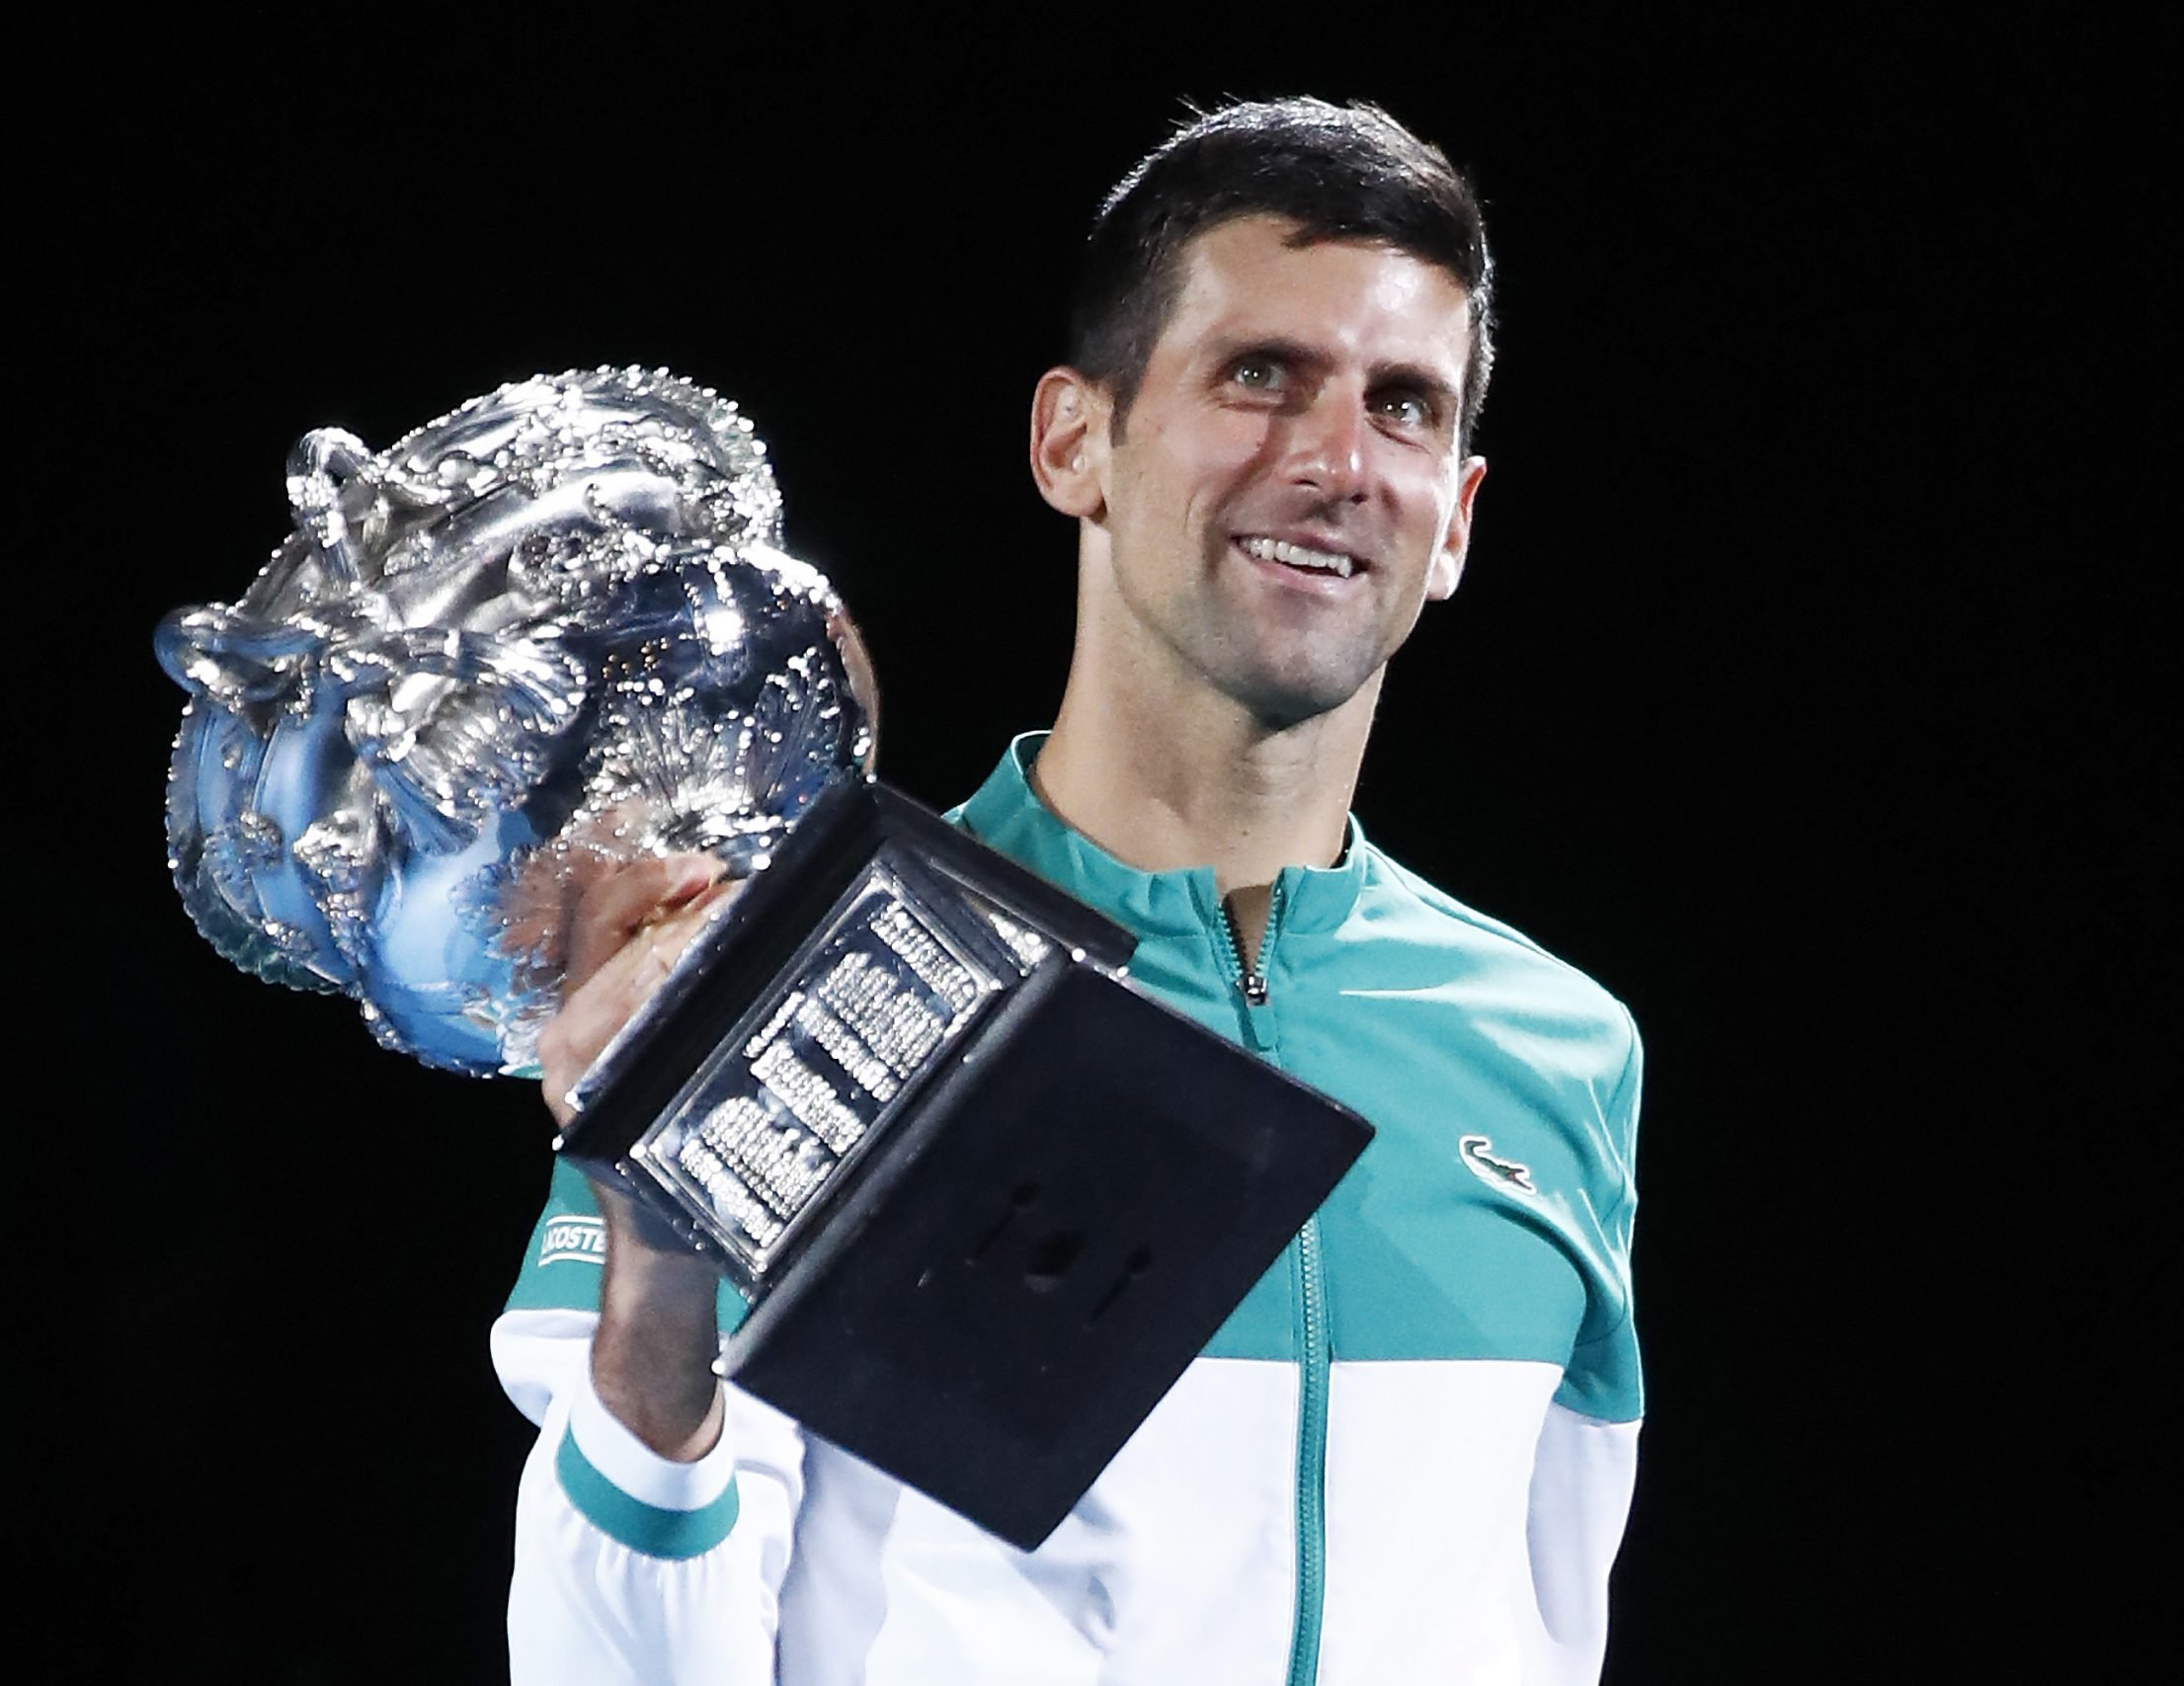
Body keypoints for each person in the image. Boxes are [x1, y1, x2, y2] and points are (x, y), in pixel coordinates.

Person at [492, 97, 1645, 1684]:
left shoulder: (1557, 1051)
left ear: (1455, 517)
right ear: (1071, 439)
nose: (1334, 462)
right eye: (1260, 376)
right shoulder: (796, 986)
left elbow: (1543, 1626)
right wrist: (657, 1276)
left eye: (1403, 406)